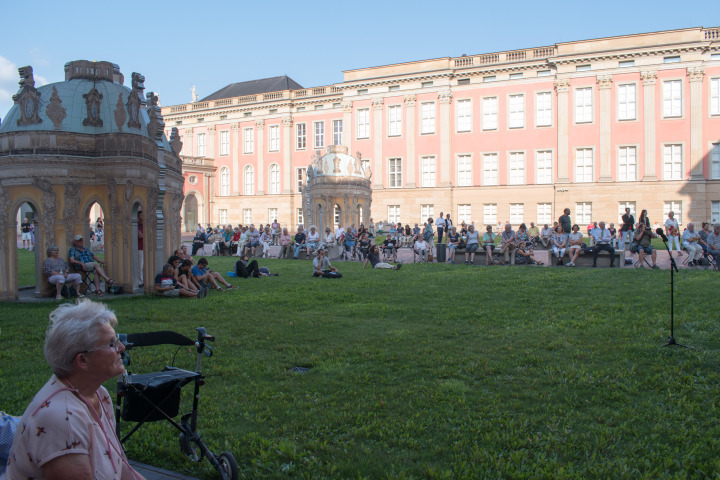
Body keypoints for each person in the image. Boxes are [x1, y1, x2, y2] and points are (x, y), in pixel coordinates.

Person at [6, 301, 144, 480]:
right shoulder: (62, 419)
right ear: (82, 360)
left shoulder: (98, 394)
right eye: (111, 344)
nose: (121, 348)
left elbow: (122, 468)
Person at [137, 210, 144, 287]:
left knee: (144, 265)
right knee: (140, 265)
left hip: (145, 247)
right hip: (140, 248)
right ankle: (140, 281)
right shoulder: (137, 225)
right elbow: (140, 235)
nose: (143, 217)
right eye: (141, 215)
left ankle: (143, 279)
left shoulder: (143, 225)